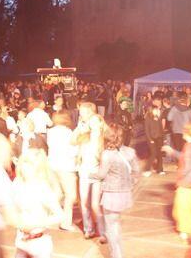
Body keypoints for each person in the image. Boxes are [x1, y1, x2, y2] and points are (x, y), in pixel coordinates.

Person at [90, 125, 140, 258]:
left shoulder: (107, 154)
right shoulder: (130, 151)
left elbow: (101, 175)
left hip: (112, 195)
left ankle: (117, 255)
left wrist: (90, 174)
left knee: (112, 227)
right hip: (125, 194)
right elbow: (136, 171)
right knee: (116, 223)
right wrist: (130, 183)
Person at [12, 149, 62, 258]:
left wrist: (36, 224)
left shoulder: (42, 188)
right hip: (21, 241)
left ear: (37, 167)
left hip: (40, 244)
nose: (25, 167)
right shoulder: (17, 183)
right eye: (24, 162)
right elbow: (12, 208)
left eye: (29, 164)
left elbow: (59, 215)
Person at [72, 102, 106, 241]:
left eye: (84, 113)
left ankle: (103, 232)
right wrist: (79, 128)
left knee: (95, 205)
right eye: (80, 113)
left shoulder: (101, 135)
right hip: (84, 171)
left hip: (97, 172)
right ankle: (88, 230)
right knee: (84, 203)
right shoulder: (83, 134)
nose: (82, 116)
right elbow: (72, 140)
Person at [46, 111, 78, 231]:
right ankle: (66, 222)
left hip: (52, 165)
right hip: (66, 166)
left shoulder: (51, 132)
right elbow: (72, 151)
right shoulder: (68, 132)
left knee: (57, 192)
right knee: (70, 195)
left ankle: (50, 216)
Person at [143, 96, 166, 176]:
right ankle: (146, 169)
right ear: (152, 110)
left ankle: (160, 169)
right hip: (152, 139)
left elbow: (161, 128)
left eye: (158, 110)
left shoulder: (158, 117)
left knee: (159, 154)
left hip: (159, 138)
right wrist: (150, 139)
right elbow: (147, 130)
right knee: (153, 153)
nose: (157, 111)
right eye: (156, 110)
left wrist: (164, 138)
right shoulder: (148, 118)